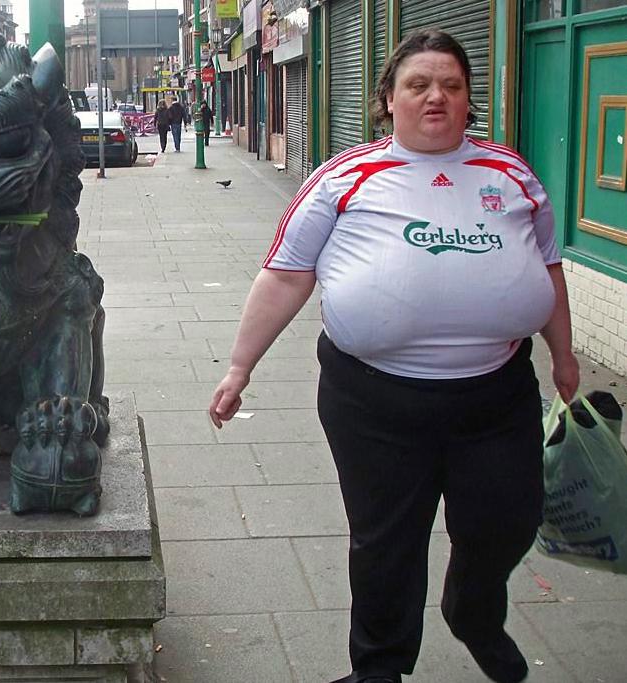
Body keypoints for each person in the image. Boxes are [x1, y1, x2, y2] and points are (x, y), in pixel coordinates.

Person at [209, 29, 579, 683]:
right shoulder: (343, 178)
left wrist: (564, 354)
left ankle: (473, 610)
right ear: (388, 99)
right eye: (419, 84)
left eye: (451, 85)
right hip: (373, 400)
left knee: (507, 520)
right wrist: (240, 368)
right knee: (386, 541)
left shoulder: (511, 174)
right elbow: (285, 276)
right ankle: (378, 666)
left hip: (497, 395)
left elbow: (547, 265)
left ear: (468, 99)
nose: (436, 96)